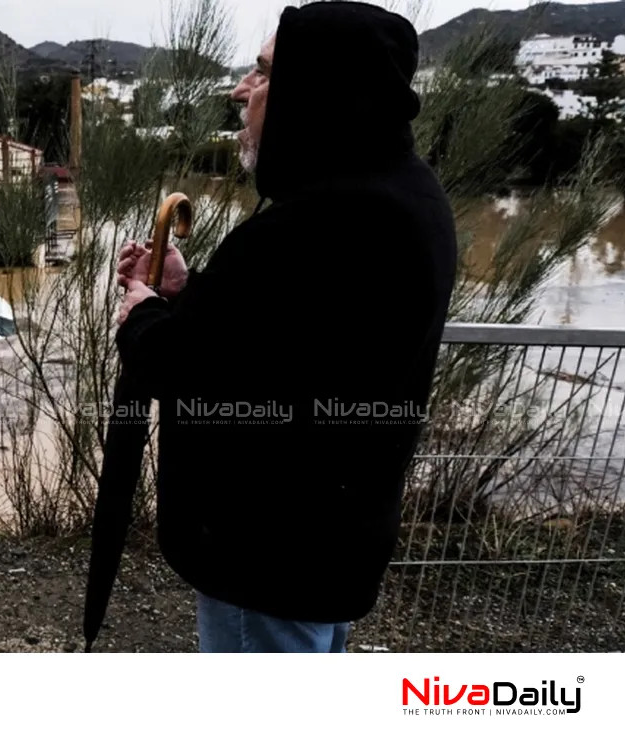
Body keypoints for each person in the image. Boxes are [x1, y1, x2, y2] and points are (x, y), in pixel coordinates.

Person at [113, 1, 457, 652]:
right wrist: (184, 291)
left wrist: (142, 316)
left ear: (317, 88)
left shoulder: (315, 223)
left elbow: (188, 368)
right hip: (331, 540)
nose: (241, 89)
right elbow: (278, 341)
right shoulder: (403, 196)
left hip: (265, 555)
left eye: (263, 71)